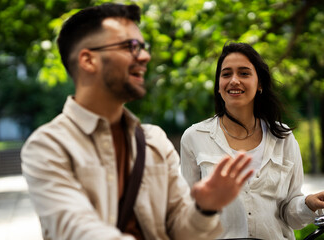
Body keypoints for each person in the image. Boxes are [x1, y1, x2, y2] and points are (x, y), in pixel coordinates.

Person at [21, 4, 254, 240]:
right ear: (89, 60)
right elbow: (78, 231)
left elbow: (182, 230)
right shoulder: (48, 146)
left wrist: (205, 208)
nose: (144, 56)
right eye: (130, 46)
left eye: (143, 47)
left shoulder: (154, 141)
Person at [180, 42, 324, 240]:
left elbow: (291, 216)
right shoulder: (194, 137)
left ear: (260, 84)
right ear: (219, 86)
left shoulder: (284, 138)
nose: (234, 80)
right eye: (226, 74)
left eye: (244, 73)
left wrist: (307, 204)